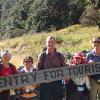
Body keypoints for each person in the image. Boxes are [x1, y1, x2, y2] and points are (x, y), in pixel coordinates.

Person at [35, 36, 66, 100]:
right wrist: (44, 79)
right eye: (49, 42)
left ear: (55, 43)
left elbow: (64, 69)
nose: (50, 44)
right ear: (46, 43)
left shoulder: (60, 56)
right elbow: (37, 70)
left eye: (52, 42)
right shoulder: (42, 55)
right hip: (45, 84)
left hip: (57, 84)